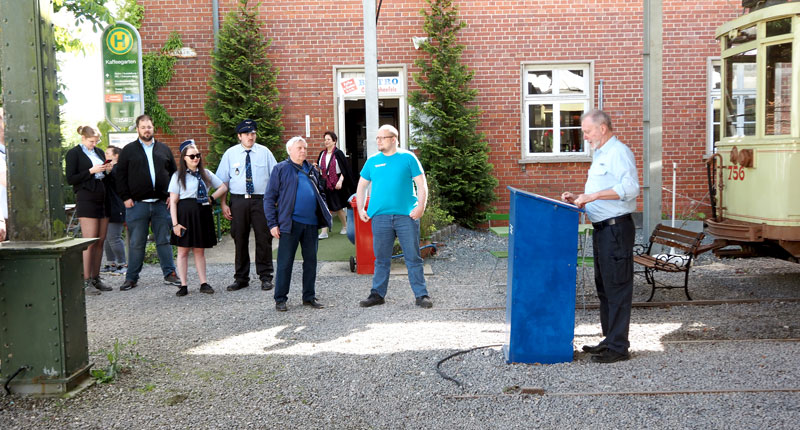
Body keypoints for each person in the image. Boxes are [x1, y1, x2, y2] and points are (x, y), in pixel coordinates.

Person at [561, 109, 640, 364]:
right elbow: (600, 192)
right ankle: (609, 340)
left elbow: (630, 189)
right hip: (603, 228)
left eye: (587, 131)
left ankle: (619, 347)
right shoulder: (602, 154)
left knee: (617, 286)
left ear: (602, 129)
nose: (585, 137)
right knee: (605, 287)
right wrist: (579, 199)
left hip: (616, 229)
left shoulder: (619, 152)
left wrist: (593, 197)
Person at [356, 124, 432, 309]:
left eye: (382, 138)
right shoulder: (372, 161)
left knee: (413, 257)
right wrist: (360, 208)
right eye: (377, 138)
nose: (378, 141)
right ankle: (377, 294)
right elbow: (361, 186)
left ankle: (421, 295)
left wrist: (421, 206)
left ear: (393, 139)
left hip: (406, 216)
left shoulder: (408, 158)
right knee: (381, 258)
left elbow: (422, 185)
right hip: (380, 217)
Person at [264, 136, 331, 311]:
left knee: (311, 262)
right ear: (290, 150)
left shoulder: (311, 169)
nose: (303, 151)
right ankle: (280, 299)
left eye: (305, 148)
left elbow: (321, 192)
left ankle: (308, 297)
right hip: (290, 224)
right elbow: (269, 198)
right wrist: (272, 224)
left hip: (311, 224)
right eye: (299, 148)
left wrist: (322, 208)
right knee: (285, 262)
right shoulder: (280, 169)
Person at [115, 114, 179, 291]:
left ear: (153, 128)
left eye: (149, 126)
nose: (146, 130)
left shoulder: (164, 149)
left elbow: (174, 174)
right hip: (137, 204)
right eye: (143, 127)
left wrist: (171, 195)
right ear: (137, 129)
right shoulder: (128, 150)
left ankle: (170, 274)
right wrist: (125, 197)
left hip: (161, 203)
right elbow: (120, 177)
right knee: (136, 243)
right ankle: (131, 278)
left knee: (164, 240)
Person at [216, 119, 278, 292]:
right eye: (247, 134)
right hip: (238, 201)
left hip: (261, 200)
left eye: (253, 133)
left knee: (264, 238)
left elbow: (275, 178)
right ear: (239, 136)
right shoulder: (230, 154)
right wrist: (223, 204)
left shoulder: (265, 152)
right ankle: (241, 277)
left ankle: (265, 276)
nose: (251, 137)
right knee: (239, 238)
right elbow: (224, 182)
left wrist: (274, 201)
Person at [169, 140, 228, 297]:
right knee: (182, 251)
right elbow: (173, 202)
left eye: (198, 155)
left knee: (199, 251)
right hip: (185, 215)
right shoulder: (177, 176)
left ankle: (203, 282)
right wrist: (175, 224)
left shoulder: (206, 174)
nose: (196, 158)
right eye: (192, 156)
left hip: (202, 214)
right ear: (184, 158)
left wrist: (212, 199)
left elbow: (223, 187)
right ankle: (183, 284)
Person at [65, 125, 114, 295]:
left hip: (102, 197)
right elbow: (70, 178)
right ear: (83, 138)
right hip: (86, 198)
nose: (94, 144)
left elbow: (105, 176)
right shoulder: (74, 153)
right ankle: (86, 281)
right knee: (90, 241)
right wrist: (91, 171)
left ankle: (96, 277)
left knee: (100, 240)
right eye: (91, 141)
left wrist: (107, 170)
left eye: (96, 141)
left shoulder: (99, 152)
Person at [315, 131, 354, 239]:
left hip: (336, 182)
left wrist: (340, 181)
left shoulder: (338, 153)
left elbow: (344, 169)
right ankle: (324, 231)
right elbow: (321, 169)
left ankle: (345, 226)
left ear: (334, 141)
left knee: (338, 207)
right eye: (325, 139)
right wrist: (317, 167)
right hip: (324, 183)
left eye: (328, 139)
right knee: (324, 206)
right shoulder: (322, 154)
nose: (326, 141)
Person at [101, 146, 127, 275]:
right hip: (107, 207)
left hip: (117, 207)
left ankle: (123, 263)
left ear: (116, 155)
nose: (105, 155)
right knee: (106, 237)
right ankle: (110, 262)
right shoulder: (108, 169)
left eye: (107, 153)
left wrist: (110, 173)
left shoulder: (119, 169)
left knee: (114, 237)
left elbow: (118, 185)